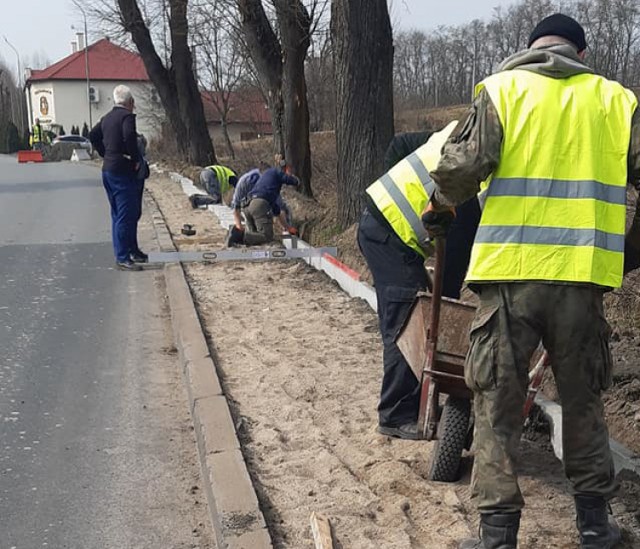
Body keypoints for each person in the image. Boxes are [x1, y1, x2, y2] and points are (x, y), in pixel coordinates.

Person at [424, 14, 640, 549]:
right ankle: (594, 528)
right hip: (582, 283)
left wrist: (441, 210)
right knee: (584, 404)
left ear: (529, 50)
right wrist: (630, 249)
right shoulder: (616, 101)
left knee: (495, 407)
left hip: (508, 282)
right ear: (582, 55)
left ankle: (497, 536)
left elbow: (457, 172)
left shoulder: (502, 90)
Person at [357, 125, 480, 441]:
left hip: (386, 227)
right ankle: (396, 415)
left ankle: (412, 405)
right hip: (387, 234)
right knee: (408, 320)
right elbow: (449, 277)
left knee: (412, 313)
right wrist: (448, 316)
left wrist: (388, 186)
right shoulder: (467, 198)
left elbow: (400, 143)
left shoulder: (461, 133)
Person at [89, 85, 147, 271]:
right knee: (126, 214)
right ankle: (123, 257)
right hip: (122, 171)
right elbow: (129, 135)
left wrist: (105, 153)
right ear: (130, 102)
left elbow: (93, 135)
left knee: (119, 214)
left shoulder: (107, 118)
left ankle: (131, 250)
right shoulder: (126, 117)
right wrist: (135, 158)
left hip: (108, 170)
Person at [226, 161, 299, 246]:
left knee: (254, 237)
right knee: (267, 236)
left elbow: (277, 211)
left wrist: (288, 228)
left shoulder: (267, 189)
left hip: (247, 206)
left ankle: (237, 235)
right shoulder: (276, 172)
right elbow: (288, 179)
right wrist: (297, 181)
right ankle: (238, 236)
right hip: (258, 206)